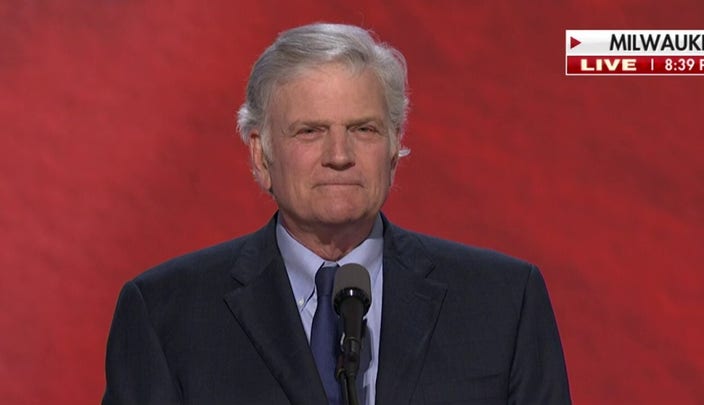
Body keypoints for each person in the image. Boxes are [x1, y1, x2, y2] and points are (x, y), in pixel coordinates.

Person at [103, 23, 571, 405]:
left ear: (393, 147)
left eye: (363, 129)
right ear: (261, 156)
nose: (340, 155)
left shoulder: (503, 302)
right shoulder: (167, 314)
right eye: (310, 131)